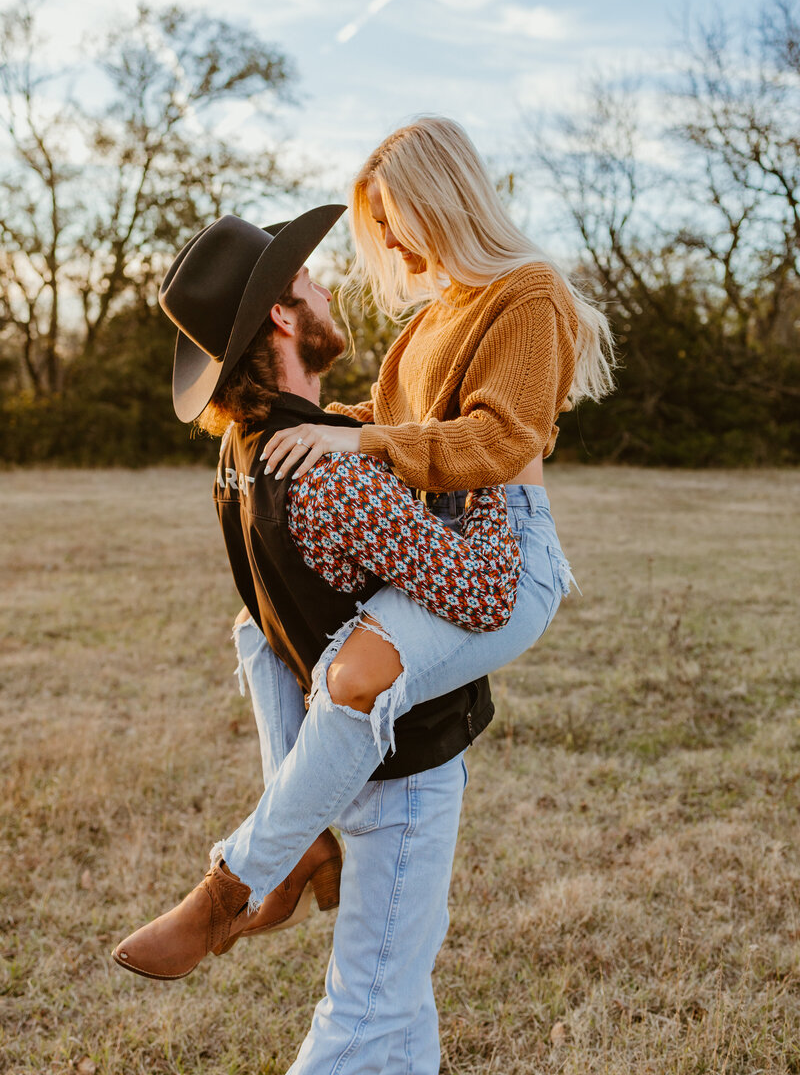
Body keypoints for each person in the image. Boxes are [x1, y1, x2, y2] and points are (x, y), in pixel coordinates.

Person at [116, 116, 615, 1072]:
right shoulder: (430, 321)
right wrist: (318, 425)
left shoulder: (529, 296)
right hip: (454, 531)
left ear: (442, 199)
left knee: (355, 670)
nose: (381, 246)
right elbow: (383, 422)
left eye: (388, 220)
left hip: (511, 543)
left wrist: (360, 442)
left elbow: (499, 442)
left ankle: (240, 879)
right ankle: (295, 841)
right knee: (261, 637)